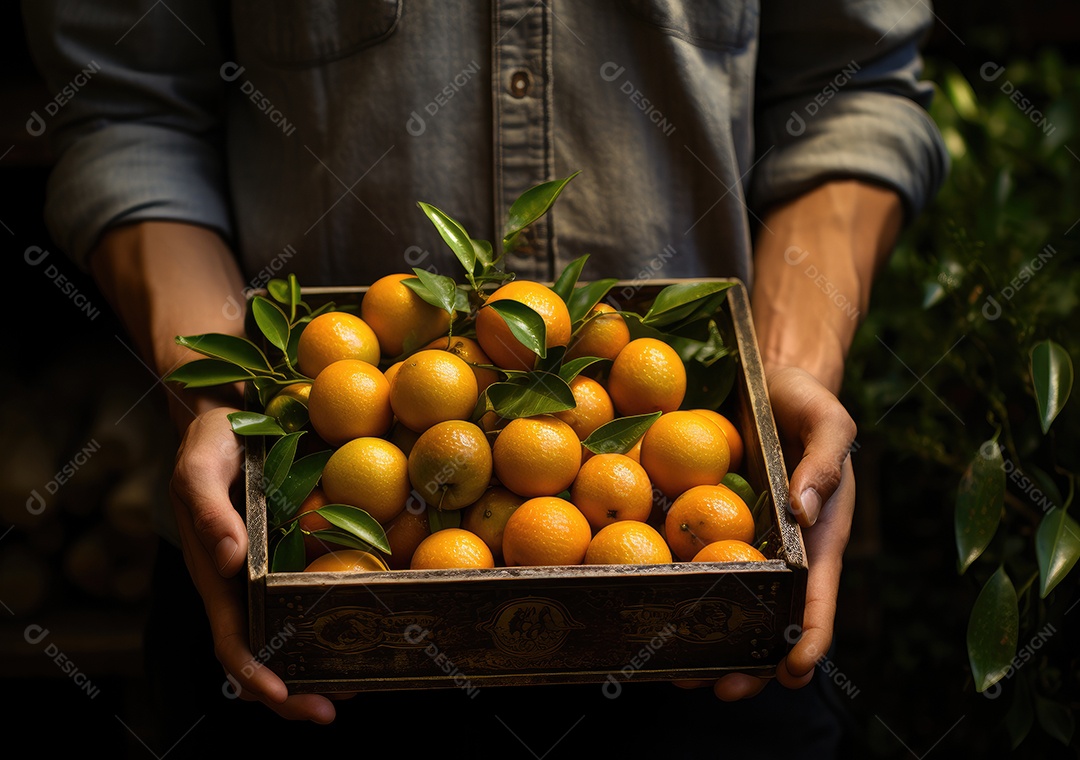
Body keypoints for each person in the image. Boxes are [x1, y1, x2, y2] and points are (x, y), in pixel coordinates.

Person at [23, 1, 947, 756]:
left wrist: (778, 370)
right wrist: (225, 398)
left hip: (694, 607)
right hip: (307, 598)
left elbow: (851, 90)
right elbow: (126, 114)